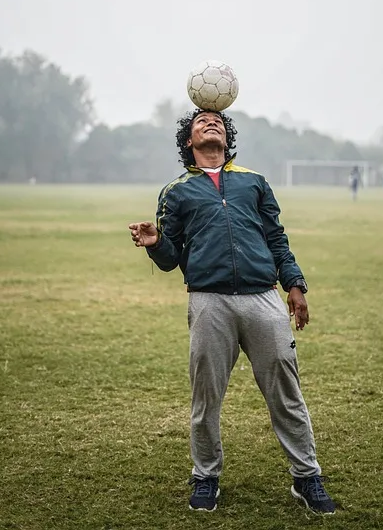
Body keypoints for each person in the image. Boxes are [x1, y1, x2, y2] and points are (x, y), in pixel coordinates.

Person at [128, 109, 336, 515]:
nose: (211, 123)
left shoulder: (253, 182)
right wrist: (155, 242)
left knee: (286, 391)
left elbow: (276, 238)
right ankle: (206, 477)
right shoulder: (177, 192)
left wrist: (294, 284)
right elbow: (171, 259)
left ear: (228, 137)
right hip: (209, 301)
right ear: (188, 141)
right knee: (206, 395)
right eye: (201, 121)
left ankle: (307, 476)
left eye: (218, 121)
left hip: (264, 298)